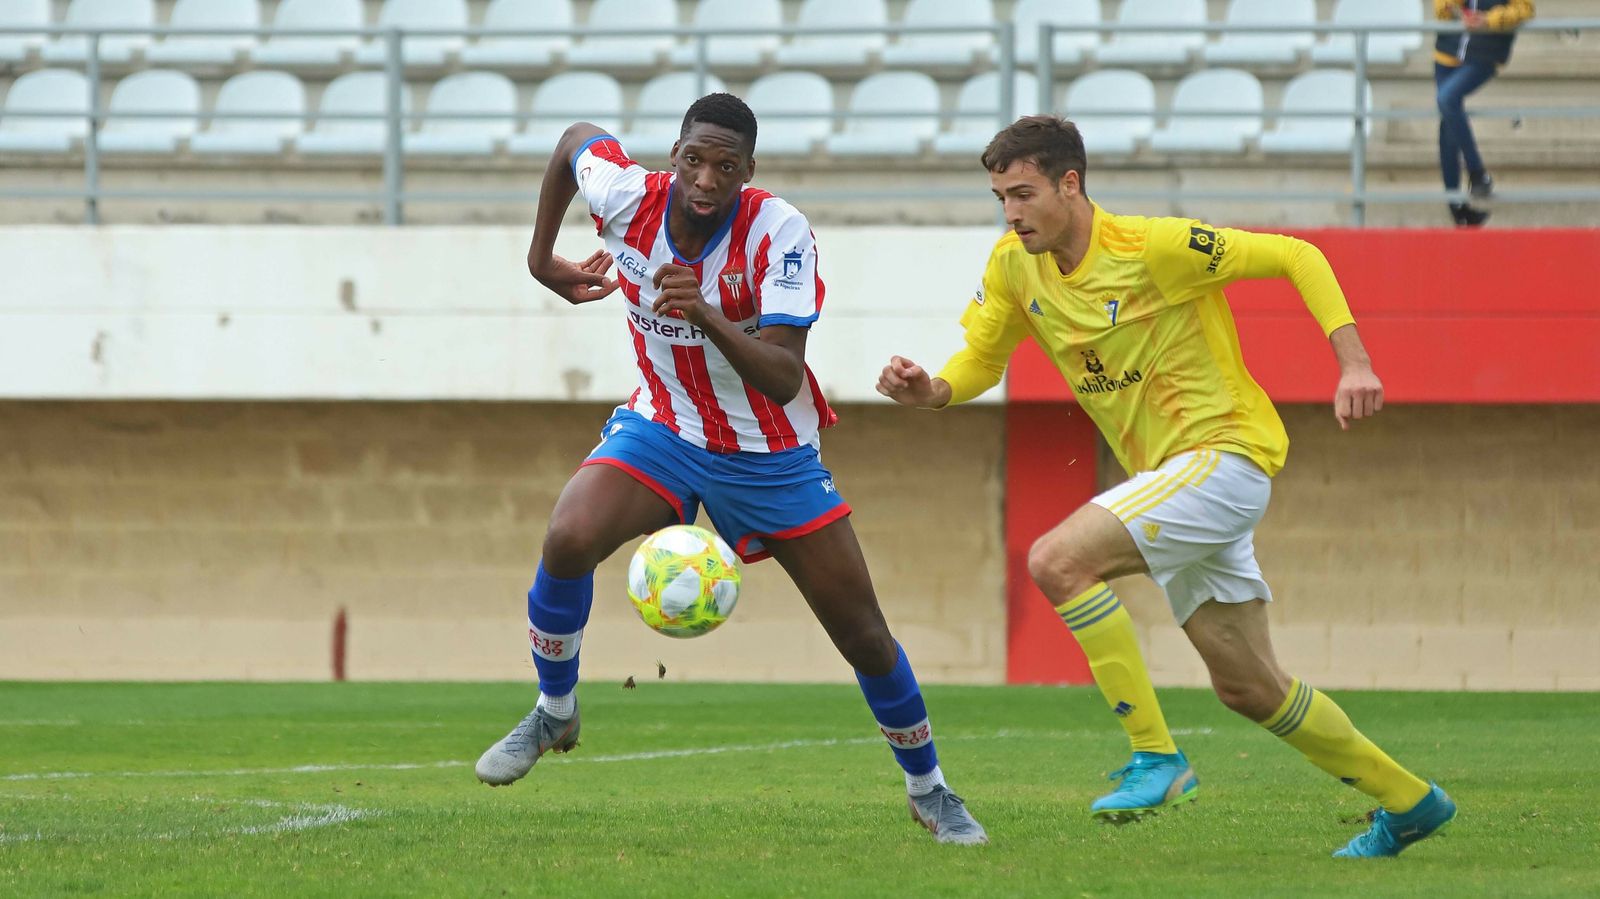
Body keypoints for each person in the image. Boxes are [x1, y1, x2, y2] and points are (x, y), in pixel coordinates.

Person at [876, 116, 1454, 858]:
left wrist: (1355, 362)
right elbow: (983, 359)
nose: (1012, 213)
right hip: (1177, 481)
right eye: (1000, 198)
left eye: (1023, 194)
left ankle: (1156, 755)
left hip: (1225, 454)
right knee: (1250, 687)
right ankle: (1410, 802)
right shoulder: (1013, 268)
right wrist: (931, 390)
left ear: (1070, 183)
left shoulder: (1156, 247)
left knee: (1057, 560)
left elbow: (1297, 255)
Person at [474, 93, 986, 846]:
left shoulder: (780, 234)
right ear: (673, 154)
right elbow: (572, 140)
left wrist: (706, 313)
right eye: (694, 160)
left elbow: (783, 375)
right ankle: (555, 711)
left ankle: (930, 788)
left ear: (749, 171)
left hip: (768, 451)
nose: (706, 180)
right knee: (568, 535)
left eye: (726, 167)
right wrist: (538, 257)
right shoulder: (626, 196)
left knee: (862, 633)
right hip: (663, 425)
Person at [1433, 0, 1535, 226]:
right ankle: (1457, 207)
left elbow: (1525, 9)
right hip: (1447, 51)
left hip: (1484, 53)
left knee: (1447, 99)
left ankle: (1477, 172)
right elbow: (1441, 9)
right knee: (1447, 121)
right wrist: (1452, 7)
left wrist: (1488, 20)